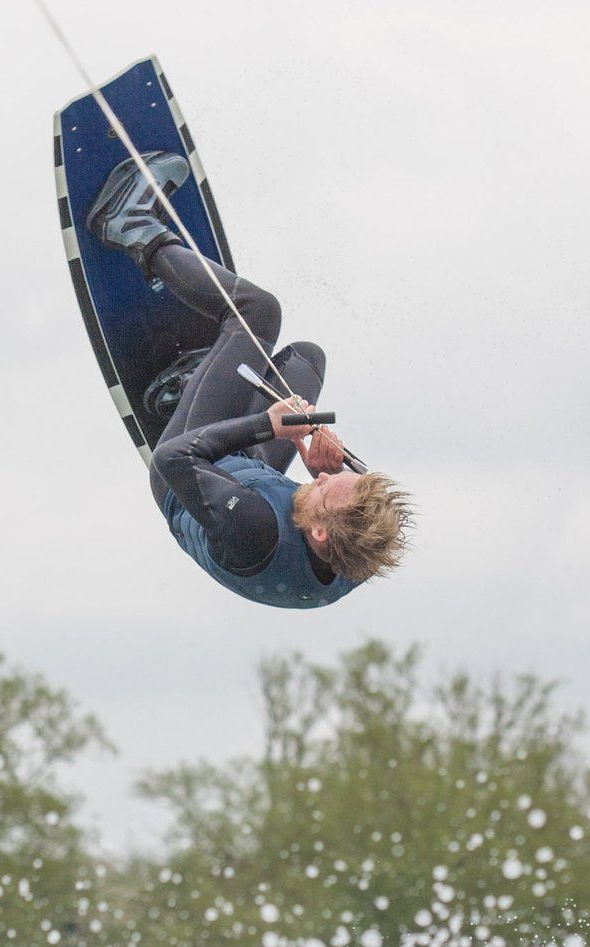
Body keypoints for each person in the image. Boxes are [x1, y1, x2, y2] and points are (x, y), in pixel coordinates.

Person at [86, 152, 412, 609]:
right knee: (306, 362)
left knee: (257, 313)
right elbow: (361, 523)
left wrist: (269, 426)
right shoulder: (355, 550)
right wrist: (327, 475)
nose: (313, 480)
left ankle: (130, 225)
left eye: (319, 488)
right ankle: (193, 383)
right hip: (248, 477)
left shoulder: (254, 530)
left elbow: (172, 458)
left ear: (318, 532)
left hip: (190, 473)